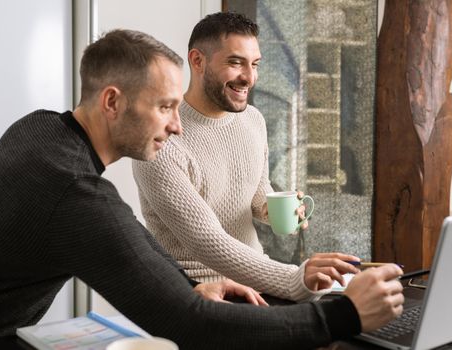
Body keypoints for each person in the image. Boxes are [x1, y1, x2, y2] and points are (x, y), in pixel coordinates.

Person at [0, 29, 404, 349]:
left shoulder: (40, 128)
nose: (176, 126)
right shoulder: (74, 192)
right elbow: (193, 326)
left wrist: (181, 284)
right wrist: (344, 314)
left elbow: (126, 233)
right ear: (112, 102)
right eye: (164, 107)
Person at [133, 12, 361, 303]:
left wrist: (274, 210)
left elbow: (255, 193)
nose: (250, 78)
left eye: (254, 64)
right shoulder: (160, 140)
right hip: (201, 296)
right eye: (235, 62)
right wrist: (294, 279)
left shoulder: (252, 120)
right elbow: (209, 242)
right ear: (198, 61)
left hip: (259, 284)